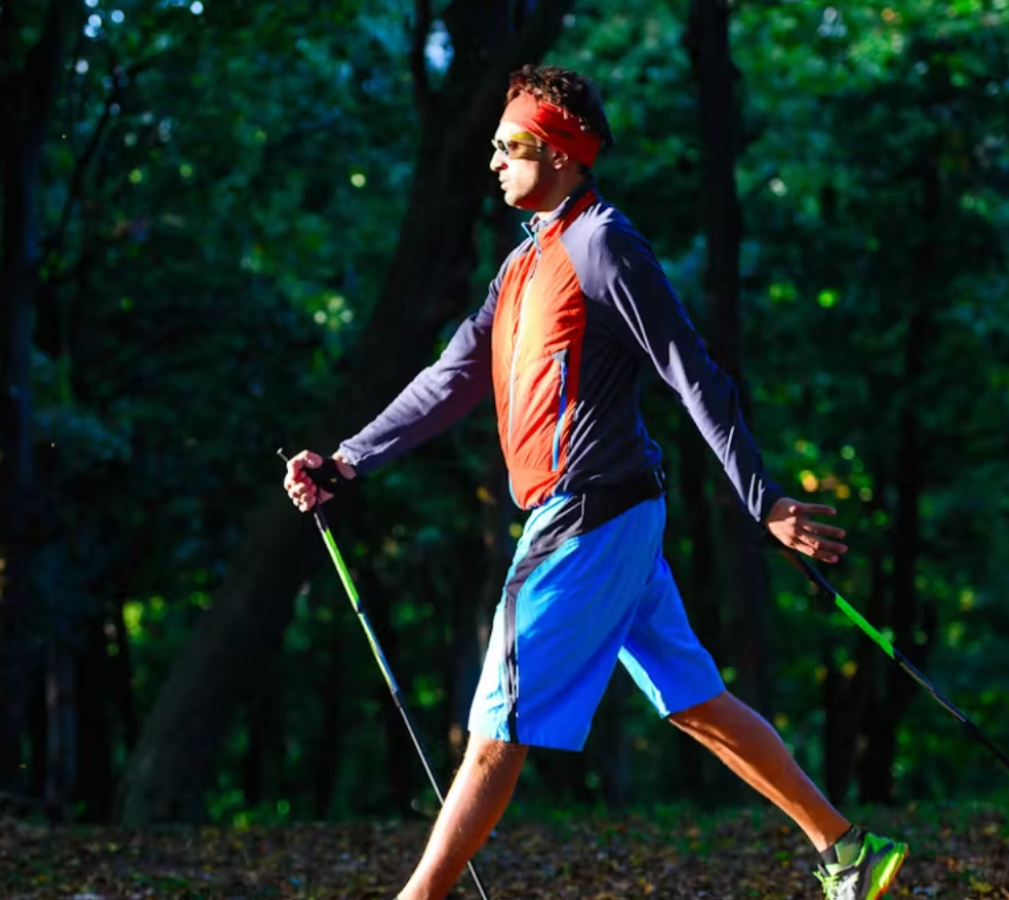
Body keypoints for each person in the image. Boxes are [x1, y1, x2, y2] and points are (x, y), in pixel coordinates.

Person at [282, 64, 907, 900]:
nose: (495, 161)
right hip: (612, 515)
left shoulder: (602, 244)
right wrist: (348, 458)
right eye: (495, 146)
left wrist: (764, 502)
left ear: (564, 154)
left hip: (588, 518)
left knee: (497, 722)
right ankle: (848, 849)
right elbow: (451, 378)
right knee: (694, 699)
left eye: (512, 146)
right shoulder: (522, 264)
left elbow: (693, 373)